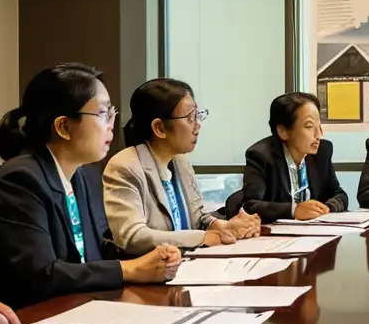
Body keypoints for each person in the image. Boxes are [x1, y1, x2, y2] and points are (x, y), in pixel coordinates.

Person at [0, 64, 181, 309]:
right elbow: (40, 276)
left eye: (112, 112)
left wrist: (149, 258)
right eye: (102, 113)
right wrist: (130, 269)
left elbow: (94, 251)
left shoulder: (82, 174)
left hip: (72, 308)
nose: (111, 123)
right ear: (64, 127)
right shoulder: (20, 178)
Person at [103, 78, 261, 256]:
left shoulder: (180, 161)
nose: (197, 126)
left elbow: (199, 217)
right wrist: (202, 238)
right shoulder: (125, 166)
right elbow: (133, 238)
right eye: (190, 118)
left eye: (197, 115)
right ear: (159, 128)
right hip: (153, 274)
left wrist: (225, 226)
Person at [239, 92, 348, 224]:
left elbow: (339, 195)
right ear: (283, 131)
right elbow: (250, 206)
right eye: (309, 126)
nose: (319, 135)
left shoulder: (322, 151)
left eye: (319, 125)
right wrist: (293, 210)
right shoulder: (261, 155)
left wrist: (328, 208)